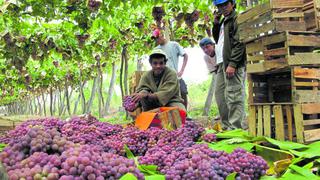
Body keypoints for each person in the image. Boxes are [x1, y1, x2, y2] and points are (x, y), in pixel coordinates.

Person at [212, 0, 247, 130]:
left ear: (232, 3)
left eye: (225, 4)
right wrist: (215, 24)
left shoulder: (237, 19)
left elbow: (239, 43)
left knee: (234, 96)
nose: (223, 8)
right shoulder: (223, 21)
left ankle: (236, 128)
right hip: (222, 63)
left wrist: (233, 64)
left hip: (232, 64)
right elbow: (218, 40)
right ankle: (227, 127)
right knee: (220, 96)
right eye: (220, 6)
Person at [151, 28, 189, 110]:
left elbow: (185, 55)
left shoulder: (174, 45)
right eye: (155, 39)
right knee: (164, 98)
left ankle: (185, 114)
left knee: (183, 92)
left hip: (176, 76)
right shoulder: (156, 50)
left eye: (157, 37)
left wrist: (182, 70)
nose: (157, 40)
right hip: (163, 79)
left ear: (161, 34)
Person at [199, 37, 218, 117]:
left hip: (227, 70)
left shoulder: (219, 51)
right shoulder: (206, 57)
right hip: (217, 72)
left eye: (207, 47)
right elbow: (214, 70)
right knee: (218, 93)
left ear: (213, 45)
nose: (206, 50)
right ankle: (221, 113)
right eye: (203, 49)